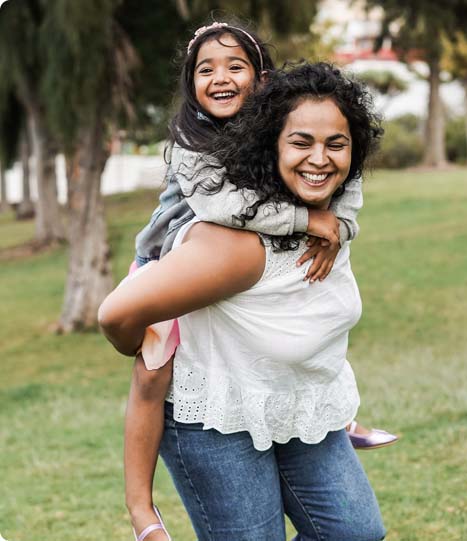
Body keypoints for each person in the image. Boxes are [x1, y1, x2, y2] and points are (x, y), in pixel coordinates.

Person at [99, 61, 386, 541]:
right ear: (271, 143)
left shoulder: (330, 219)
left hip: (298, 406)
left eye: (336, 144)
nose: (320, 158)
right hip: (217, 420)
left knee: (355, 532)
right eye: (301, 142)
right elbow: (116, 312)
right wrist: (144, 347)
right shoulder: (235, 245)